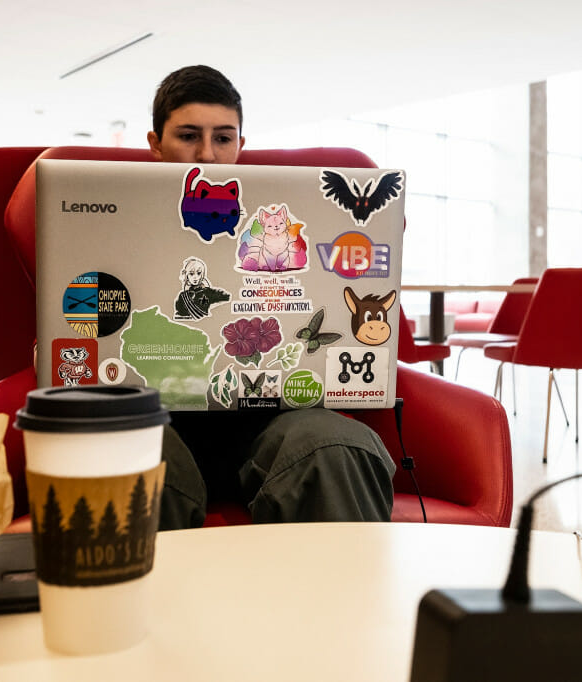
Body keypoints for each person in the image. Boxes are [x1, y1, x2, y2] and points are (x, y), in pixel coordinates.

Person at [145, 65, 396, 530]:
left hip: (272, 421)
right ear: (155, 143)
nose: (208, 153)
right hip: (153, 419)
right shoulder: (118, 219)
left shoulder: (289, 215)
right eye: (188, 136)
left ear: (240, 143)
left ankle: (343, 602)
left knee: (334, 445)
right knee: (122, 449)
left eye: (224, 137)